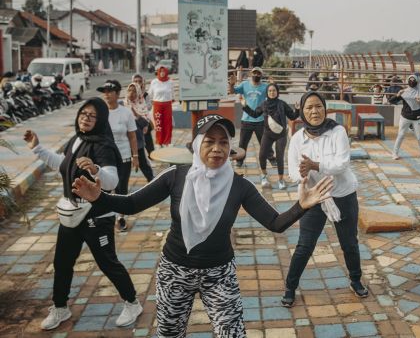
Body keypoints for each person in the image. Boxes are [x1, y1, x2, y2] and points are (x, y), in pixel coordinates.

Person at [70, 114, 334, 337]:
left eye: (223, 142)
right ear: (196, 145)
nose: (217, 149)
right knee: (170, 333)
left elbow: (276, 224)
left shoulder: (240, 186)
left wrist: (302, 205)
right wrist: (100, 198)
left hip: (219, 274)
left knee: (232, 333)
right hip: (175, 271)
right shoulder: (175, 177)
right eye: (209, 142)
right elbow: (131, 205)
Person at [23, 98, 142, 331]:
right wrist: (37, 148)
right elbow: (63, 164)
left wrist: (95, 170)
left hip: (97, 216)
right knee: (62, 262)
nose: (85, 118)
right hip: (71, 212)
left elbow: (112, 180)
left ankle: (132, 303)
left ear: (100, 121)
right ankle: (60, 307)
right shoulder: (77, 139)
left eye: (91, 115)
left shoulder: (103, 146)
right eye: (83, 114)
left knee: (107, 263)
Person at [283, 91, 369, 308]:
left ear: (325, 108)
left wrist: (315, 165)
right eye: (309, 107)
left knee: (349, 243)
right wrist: (302, 173)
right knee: (304, 245)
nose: (314, 111)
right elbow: (292, 171)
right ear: (302, 111)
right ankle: (290, 287)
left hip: (342, 195)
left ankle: (356, 280)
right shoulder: (297, 139)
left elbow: (342, 164)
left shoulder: (337, 131)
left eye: (318, 106)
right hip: (314, 198)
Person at [240, 83, 300, 189]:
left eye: (274, 90)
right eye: (270, 91)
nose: (272, 92)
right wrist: (245, 106)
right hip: (268, 134)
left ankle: (281, 180)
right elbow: (255, 114)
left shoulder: (282, 104)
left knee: (280, 157)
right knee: (262, 155)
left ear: (277, 92)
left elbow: (292, 116)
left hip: (281, 134)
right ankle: (264, 176)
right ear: (267, 93)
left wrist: (297, 110)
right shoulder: (264, 104)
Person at [99, 80, 139, 232]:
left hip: (123, 156)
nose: (106, 94)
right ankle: (106, 217)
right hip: (105, 157)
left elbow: (132, 136)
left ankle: (120, 218)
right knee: (105, 188)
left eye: (110, 91)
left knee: (121, 188)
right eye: (104, 91)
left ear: (117, 94)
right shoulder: (101, 112)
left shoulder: (126, 112)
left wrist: (135, 156)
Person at [230, 67, 275, 168]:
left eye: (259, 73)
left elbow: (273, 95)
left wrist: (273, 85)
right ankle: (240, 160)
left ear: (261, 75)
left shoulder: (265, 87)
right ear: (251, 74)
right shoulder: (245, 84)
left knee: (265, 142)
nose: (256, 75)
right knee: (242, 143)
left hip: (260, 120)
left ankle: (271, 159)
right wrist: (232, 84)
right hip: (246, 120)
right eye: (254, 73)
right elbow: (233, 91)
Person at [389, 75, 420, 160]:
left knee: (419, 136)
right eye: (410, 80)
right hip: (405, 117)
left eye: (413, 80)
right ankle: (394, 153)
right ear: (408, 81)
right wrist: (397, 95)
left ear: (416, 82)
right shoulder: (404, 92)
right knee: (401, 135)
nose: (412, 82)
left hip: (417, 118)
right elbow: (391, 101)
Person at [125, 83, 155, 182]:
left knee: (143, 164)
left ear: (138, 93)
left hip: (137, 141)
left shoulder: (141, 104)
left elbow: (145, 124)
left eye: (134, 91)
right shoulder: (123, 105)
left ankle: (151, 181)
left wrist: (136, 114)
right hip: (123, 142)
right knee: (122, 167)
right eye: (130, 90)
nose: (131, 93)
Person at [150, 66, 174, 147]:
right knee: (158, 124)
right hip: (157, 104)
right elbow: (150, 93)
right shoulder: (154, 82)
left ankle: (167, 141)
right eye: (161, 71)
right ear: (158, 72)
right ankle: (159, 142)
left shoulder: (170, 82)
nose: (162, 73)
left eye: (164, 71)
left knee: (168, 123)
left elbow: (172, 93)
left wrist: (172, 99)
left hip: (167, 104)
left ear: (166, 72)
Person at [132, 73, 155, 155]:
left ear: (142, 82)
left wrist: (141, 98)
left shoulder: (145, 94)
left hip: (144, 121)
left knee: (148, 142)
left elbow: (149, 107)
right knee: (136, 142)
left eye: (139, 81)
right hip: (134, 123)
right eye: (135, 81)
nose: (137, 83)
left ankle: (151, 156)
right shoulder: (130, 94)